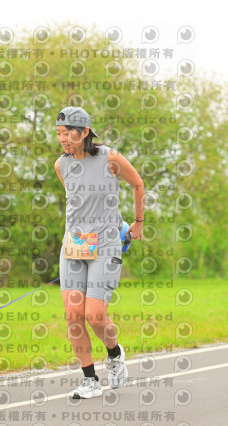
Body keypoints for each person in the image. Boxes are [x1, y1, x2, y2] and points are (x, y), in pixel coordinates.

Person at [53, 106, 145, 398]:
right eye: (59, 134)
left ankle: (115, 354)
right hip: (75, 244)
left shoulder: (111, 158)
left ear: (84, 132)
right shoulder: (61, 165)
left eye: (67, 133)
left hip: (106, 243)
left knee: (94, 315)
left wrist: (138, 223)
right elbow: (78, 203)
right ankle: (89, 379)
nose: (62, 139)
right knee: (73, 315)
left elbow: (138, 184)